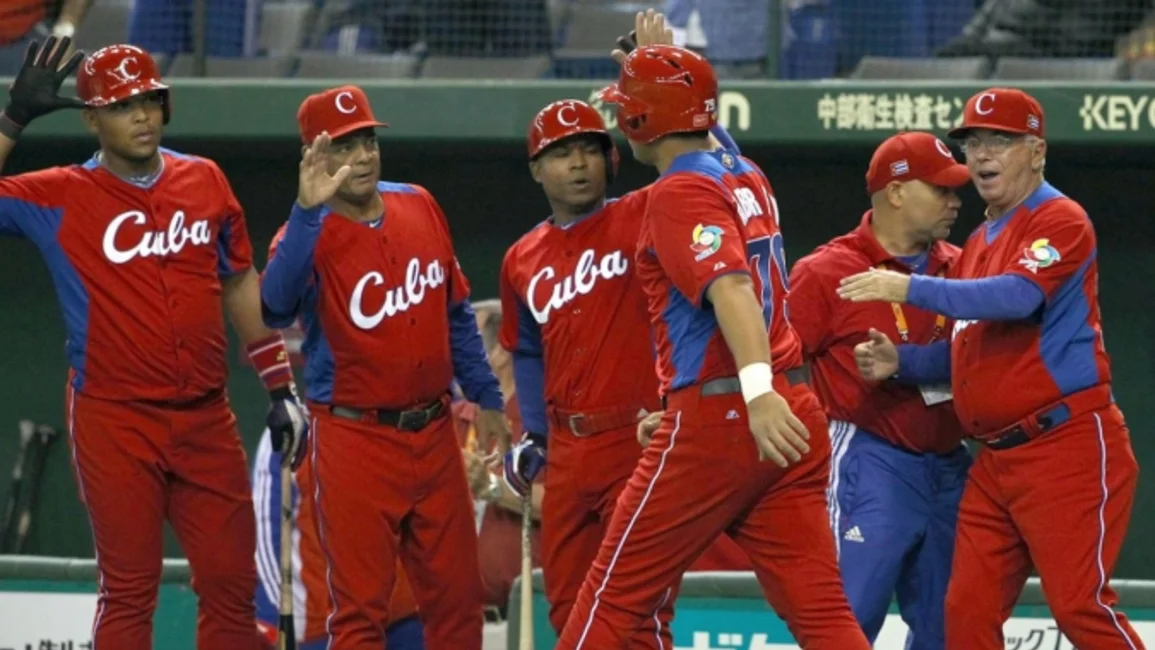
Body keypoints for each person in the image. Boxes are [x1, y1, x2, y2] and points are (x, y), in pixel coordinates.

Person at [554, 43, 870, 650]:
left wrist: (753, 398)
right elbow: (703, 135)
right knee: (821, 611)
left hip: (729, 414)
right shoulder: (743, 170)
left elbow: (731, 291)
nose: (621, 118)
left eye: (629, 107)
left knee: (613, 595)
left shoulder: (677, 193)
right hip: (793, 410)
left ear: (643, 121)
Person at [0, 39, 306, 649]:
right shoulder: (56, 193)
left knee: (230, 582)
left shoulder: (205, 178)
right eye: (121, 105)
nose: (141, 115)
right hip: (114, 420)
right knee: (130, 589)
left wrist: (280, 386)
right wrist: (12, 121)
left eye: (150, 100)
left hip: (205, 418)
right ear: (91, 119)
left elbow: (239, 279)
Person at [841, 87, 1144, 650]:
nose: (981, 154)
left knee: (1080, 607)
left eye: (1000, 141)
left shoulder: (1062, 218)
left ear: (1036, 150)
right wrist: (899, 362)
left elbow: (1016, 298)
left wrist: (910, 286)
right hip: (995, 462)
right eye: (974, 141)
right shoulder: (979, 239)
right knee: (964, 613)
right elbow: (966, 351)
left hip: (1065, 447)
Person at [501, 12, 751, 648]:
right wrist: (530, 432)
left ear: (613, 156)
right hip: (567, 449)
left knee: (637, 615)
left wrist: (663, 85)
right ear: (536, 169)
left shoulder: (649, 209)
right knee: (569, 615)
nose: (578, 164)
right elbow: (525, 351)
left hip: (637, 438)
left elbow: (727, 168)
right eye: (560, 154)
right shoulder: (520, 257)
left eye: (589, 148)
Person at [259, 83, 510, 650]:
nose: (364, 156)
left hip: (434, 431)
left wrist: (487, 397)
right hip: (355, 437)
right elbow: (272, 306)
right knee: (358, 614)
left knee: (457, 604)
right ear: (316, 157)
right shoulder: (304, 233)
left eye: (368, 140)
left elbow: (455, 311)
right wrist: (304, 211)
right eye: (345, 146)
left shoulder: (417, 202)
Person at [786, 131, 972, 649]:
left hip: (951, 464)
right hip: (870, 458)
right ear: (895, 192)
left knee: (949, 626)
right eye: (942, 190)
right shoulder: (826, 272)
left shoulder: (961, 268)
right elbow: (774, 359)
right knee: (849, 618)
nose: (956, 201)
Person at [251, 424, 425, 650]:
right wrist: (282, 616)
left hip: (402, 617)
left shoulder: (405, 420)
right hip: (320, 625)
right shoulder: (290, 430)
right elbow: (265, 536)